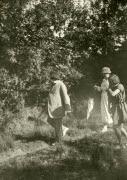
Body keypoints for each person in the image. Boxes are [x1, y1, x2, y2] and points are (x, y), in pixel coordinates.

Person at [47, 70, 71, 144]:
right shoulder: (52, 84)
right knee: (49, 120)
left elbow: (65, 97)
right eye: (52, 78)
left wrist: (68, 109)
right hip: (52, 108)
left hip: (58, 108)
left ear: (57, 78)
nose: (52, 79)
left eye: (54, 78)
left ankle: (59, 142)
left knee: (57, 125)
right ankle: (63, 129)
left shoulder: (61, 85)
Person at [108, 74, 127, 148]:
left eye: (110, 82)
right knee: (120, 127)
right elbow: (110, 99)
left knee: (116, 127)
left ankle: (121, 143)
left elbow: (113, 94)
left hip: (120, 107)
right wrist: (109, 107)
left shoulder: (120, 86)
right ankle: (122, 143)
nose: (109, 83)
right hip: (115, 108)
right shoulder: (112, 87)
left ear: (114, 81)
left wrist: (108, 88)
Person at [94, 67, 113, 133]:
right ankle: (105, 125)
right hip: (103, 96)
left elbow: (111, 89)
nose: (105, 75)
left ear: (109, 74)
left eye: (107, 73)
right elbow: (102, 89)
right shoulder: (103, 80)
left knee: (108, 109)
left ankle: (109, 124)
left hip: (109, 96)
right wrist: (97, 88)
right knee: (104, 109)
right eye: (104, 74)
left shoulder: (111, 81)